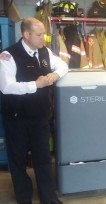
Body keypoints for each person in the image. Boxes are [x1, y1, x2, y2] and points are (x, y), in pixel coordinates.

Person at [0, 17, 68, 204]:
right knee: (18, 161)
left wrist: (55, 74)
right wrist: (36, 85)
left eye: (44, 34)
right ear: (26, 35)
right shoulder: (8, 56)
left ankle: (49, 199)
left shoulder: (44, 51)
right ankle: (24, 198)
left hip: (40, 117)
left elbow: (63, 65)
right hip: (17, 119)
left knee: (43, 159)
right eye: (39, 35)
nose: (44, 38)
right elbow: (6, 86)